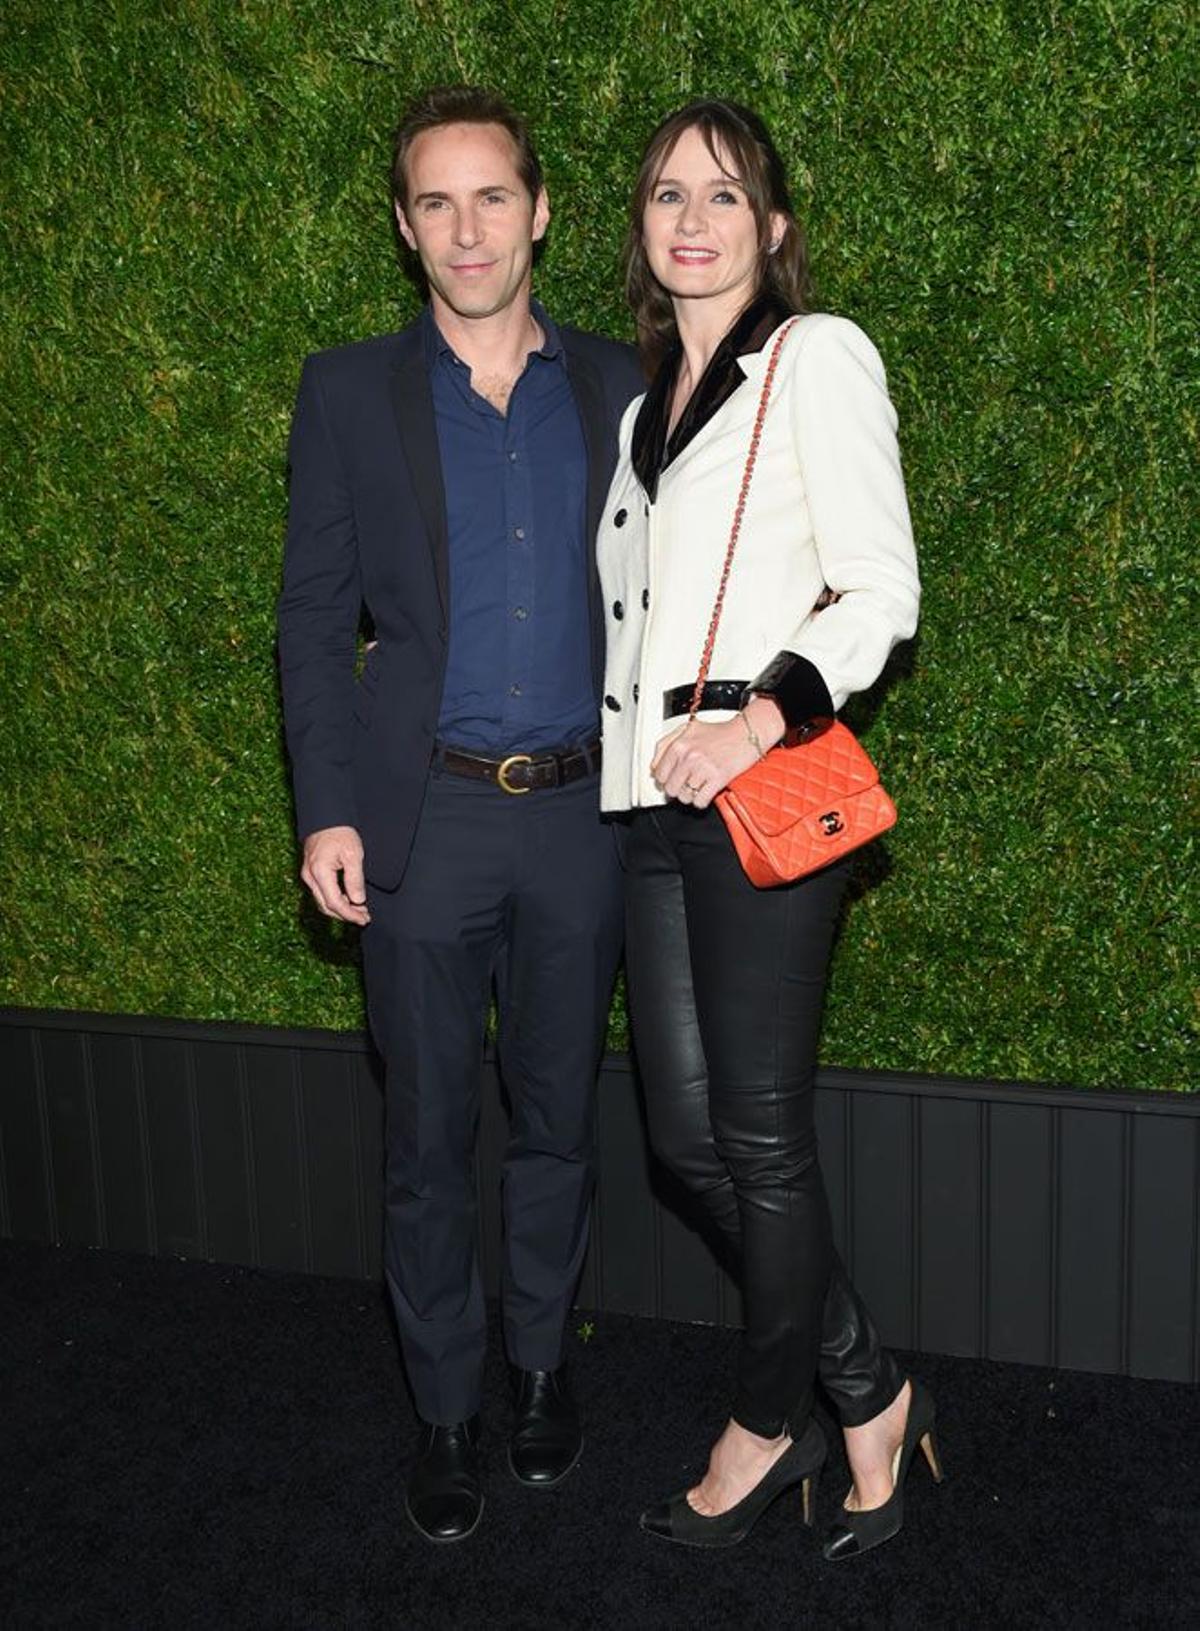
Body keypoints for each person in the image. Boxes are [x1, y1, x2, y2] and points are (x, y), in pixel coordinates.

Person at [277, 85, 643, 1544]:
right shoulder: (348, 390)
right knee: (428, 1136)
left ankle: (542, 1373)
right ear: (406, 225)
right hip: (418, 828)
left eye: (493, 196)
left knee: (558, 1121)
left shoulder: (627, 386)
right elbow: (313, 623)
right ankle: (444, 1406)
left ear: (541, 210)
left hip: (582, 826)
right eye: (436, 201)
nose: (467, 228)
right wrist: (325, 810)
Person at [598, 100, 937, 1559]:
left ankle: (770, 1416)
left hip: (755, 785)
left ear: (773, 228)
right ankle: (870, 1382)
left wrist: (757, 716)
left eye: (725, 197)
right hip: (641, 800)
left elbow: (879, 589)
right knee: (685, 1139)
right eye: (670, 194)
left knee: (760, 1137)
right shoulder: (634, 409)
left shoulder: (818, 357)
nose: (693, 219)